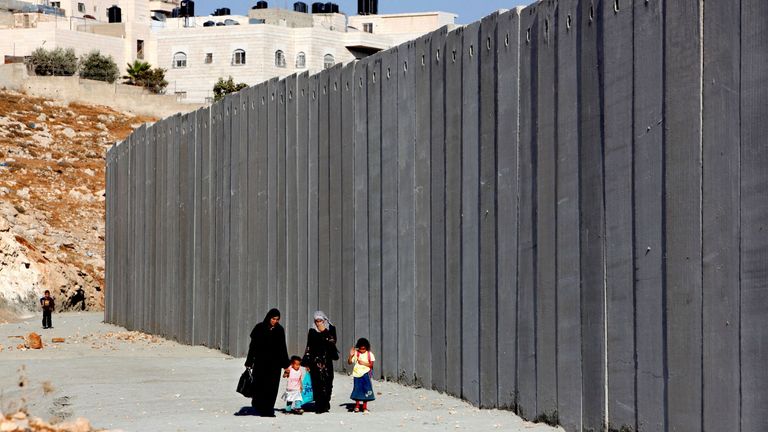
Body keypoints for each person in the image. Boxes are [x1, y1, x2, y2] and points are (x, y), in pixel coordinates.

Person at [244, 308, 290, 417]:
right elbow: (253, 347)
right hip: (261, 364)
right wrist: (249, 361)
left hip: (275, 365)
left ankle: (268, 410)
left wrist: (286, 365)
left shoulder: (279, 330)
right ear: (269, 317)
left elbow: (282, 348)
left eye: (277, 319)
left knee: (272, 388)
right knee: (260, 386)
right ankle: (259, 405)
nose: (275, 321)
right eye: (273, 319)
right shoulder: (259, 328)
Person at [301, 310, 338, 414]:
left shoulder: (331, 328)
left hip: (327, 360)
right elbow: (309, 346)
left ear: (324, 320)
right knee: (317, 383)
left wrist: (324, 332)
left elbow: (333, 342)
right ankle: (319, 406)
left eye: (320, 321)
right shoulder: (312, 330)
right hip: (315, 361)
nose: (318, 323)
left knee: (328, 382)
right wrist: (307, 363)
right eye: (316, 321)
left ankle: (326, 403)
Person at [347, 337, 376, 413]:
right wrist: (351, 355)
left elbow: (371, 365)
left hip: (365, 375)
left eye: (364, 349)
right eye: (361, 348)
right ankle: (357, 406)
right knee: (357, 390)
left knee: (366, 390)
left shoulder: (370, 354)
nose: (362, 350)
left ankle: (364, 407)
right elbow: (349, 362)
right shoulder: (356, 353)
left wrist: (363, 363)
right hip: (357, 375)